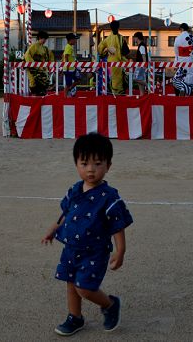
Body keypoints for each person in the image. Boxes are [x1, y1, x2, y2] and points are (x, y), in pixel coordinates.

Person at [41, 133, 133, 336]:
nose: (91, 169)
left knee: (84, 288)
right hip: (71, 248)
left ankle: (109, 304)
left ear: (108, 165)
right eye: (84, 163)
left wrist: (121, 251)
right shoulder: (75, 190)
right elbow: (66, 214)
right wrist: (53, 229)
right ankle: (75, 317)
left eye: (98, 163)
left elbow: (117, 225)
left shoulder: (109, 197)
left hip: (95, 251)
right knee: (71, 283)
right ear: (76, 164)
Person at [172, 23, 193, 96]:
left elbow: (176, 53)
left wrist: (176, 63)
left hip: (181, 62)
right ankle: (187, 93)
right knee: (190, 81)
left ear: (181, 29)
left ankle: (182, 88)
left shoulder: (177, 38)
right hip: (191, 62)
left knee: (177, 80)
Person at [24, 30, 54, 96]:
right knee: (34, 82)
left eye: (45, 39)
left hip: (41, 68)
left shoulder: (44, 48)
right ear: (40, 38)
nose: (45, 41)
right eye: (44, 39)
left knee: (43, 82)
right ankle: (35, 96)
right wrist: (33, 65)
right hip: (34, 68)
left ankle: (39, 95)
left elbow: (47, 57)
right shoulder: (34, 46)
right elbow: (27, 55)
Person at [98, 20, 124, 95]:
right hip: (118, 62)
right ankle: (117, 95)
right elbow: (125, 52)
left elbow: (100, 48)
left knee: (111, 80)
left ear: (110, 28)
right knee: (118, 81)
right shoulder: (121, 38)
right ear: (118, 27)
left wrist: (104, 53)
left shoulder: (107, 39)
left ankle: (113, 95)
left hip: (110, 62)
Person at [62, 33, 80, 97]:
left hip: (72, 68)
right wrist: (67, 66)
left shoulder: (69, 47)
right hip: (68, 69)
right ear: (71, 40)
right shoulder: (68, 47)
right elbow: (66, 56)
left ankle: (69, 89)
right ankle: (65, 97)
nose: (75, 41)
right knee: (68, 84)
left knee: (78, 81)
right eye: (74, 39)